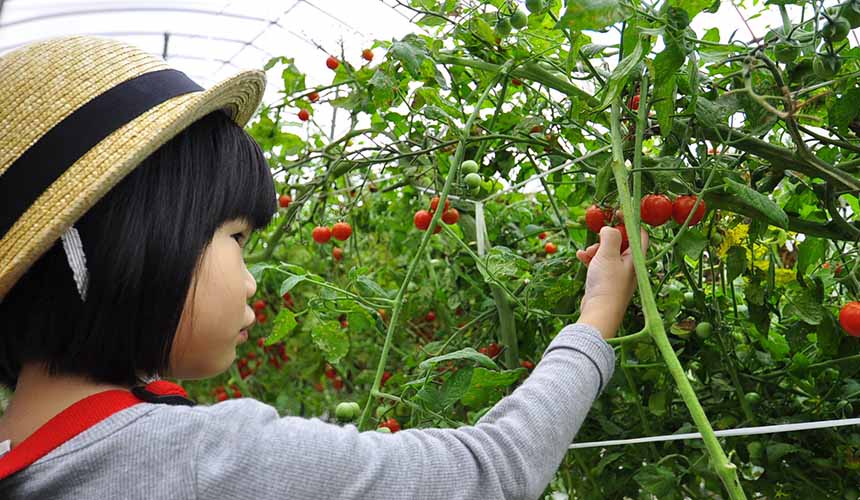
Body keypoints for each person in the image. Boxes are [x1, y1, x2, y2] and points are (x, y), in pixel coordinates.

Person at [0, 35, 647, 499]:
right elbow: (490, 472)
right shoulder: (214, 464)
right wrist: (593, 322)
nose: (252, 278)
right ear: (132, 240)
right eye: (236, 236)